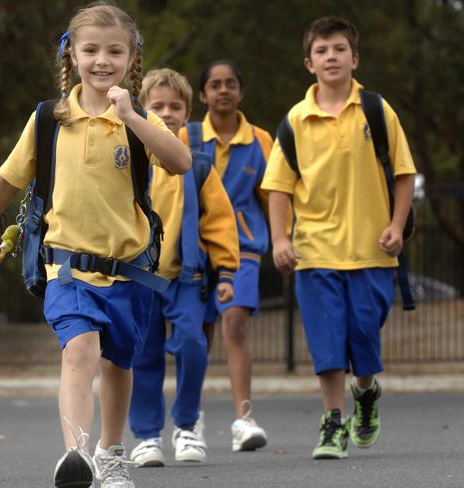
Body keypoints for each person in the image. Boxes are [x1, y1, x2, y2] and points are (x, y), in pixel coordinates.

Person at [0, 5, 191, 488]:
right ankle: (77, 454)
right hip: (66, 265)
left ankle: (111, 451)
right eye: (91, 50)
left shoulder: (139, 117)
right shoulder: (48, 118)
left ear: (131, 57)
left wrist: (132, 116)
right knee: (79, 348)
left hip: (129, 270)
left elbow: (180, 161)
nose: (102, 60)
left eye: (114, 51)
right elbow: (6, 181)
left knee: (119, 363)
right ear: (72, 55)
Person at [262, 16, 416, 460]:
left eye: (339, 49)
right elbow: (279, 187)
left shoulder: (376, 109)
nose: (332, 57)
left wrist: (396, 225)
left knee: (363, 334)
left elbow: (404, 174)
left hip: (372, 251)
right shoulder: (295, 119)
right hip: (314, 253)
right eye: (323, 51)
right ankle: (332, 422)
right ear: (309, 63)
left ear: (355, 58)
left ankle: (365, 395)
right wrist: (279, 239)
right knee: (328, 344)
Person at [128, 68, 239, 467]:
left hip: (188, 278)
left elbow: (221, 221)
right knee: (143, 355)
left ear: (188, 112)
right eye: (157, 106)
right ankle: (146, 435)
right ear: (141, 110)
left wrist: (226, 272)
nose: (168, 112)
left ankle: (188, 425)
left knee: (193, 345)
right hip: (139, 278)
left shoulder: (198, 165)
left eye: (176, 106)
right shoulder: (129, 161)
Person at [180, 59, 271, 452]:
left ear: (240, 91)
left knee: (234, 324)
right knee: (198, 336)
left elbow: (273, 198)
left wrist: (284, 238)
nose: (223, 90)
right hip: (196, 250)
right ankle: (191, 419)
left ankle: (243, 418)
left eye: (230, 83)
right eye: (214, 84)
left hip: (244, 248)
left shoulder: (261, 141)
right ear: (202, 94)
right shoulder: (186, 136)